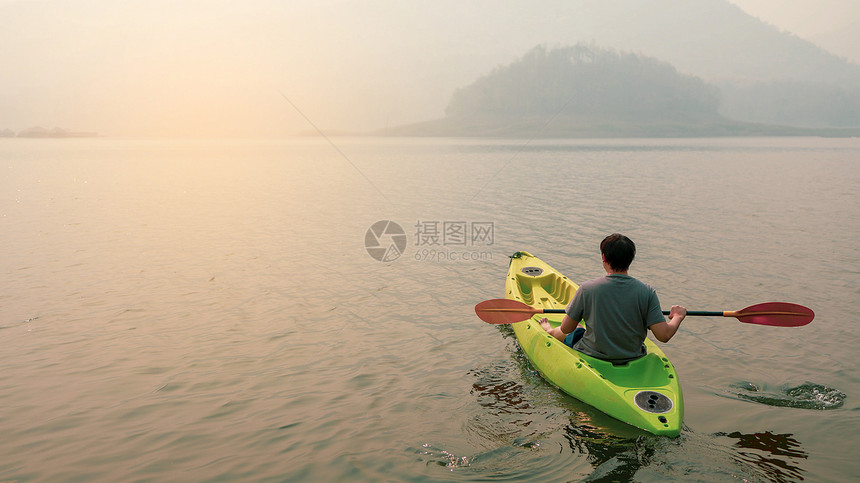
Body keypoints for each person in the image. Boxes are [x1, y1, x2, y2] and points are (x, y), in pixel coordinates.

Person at [539, 233, 686, 363]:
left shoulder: (587, 288)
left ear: (604, 257)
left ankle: (550, 331)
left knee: (576, 329)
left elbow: (566, 328)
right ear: (630, 259)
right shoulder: (647, 291)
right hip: (634, 357)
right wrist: (678, 316)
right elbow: (664, 335)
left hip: (593, 355)